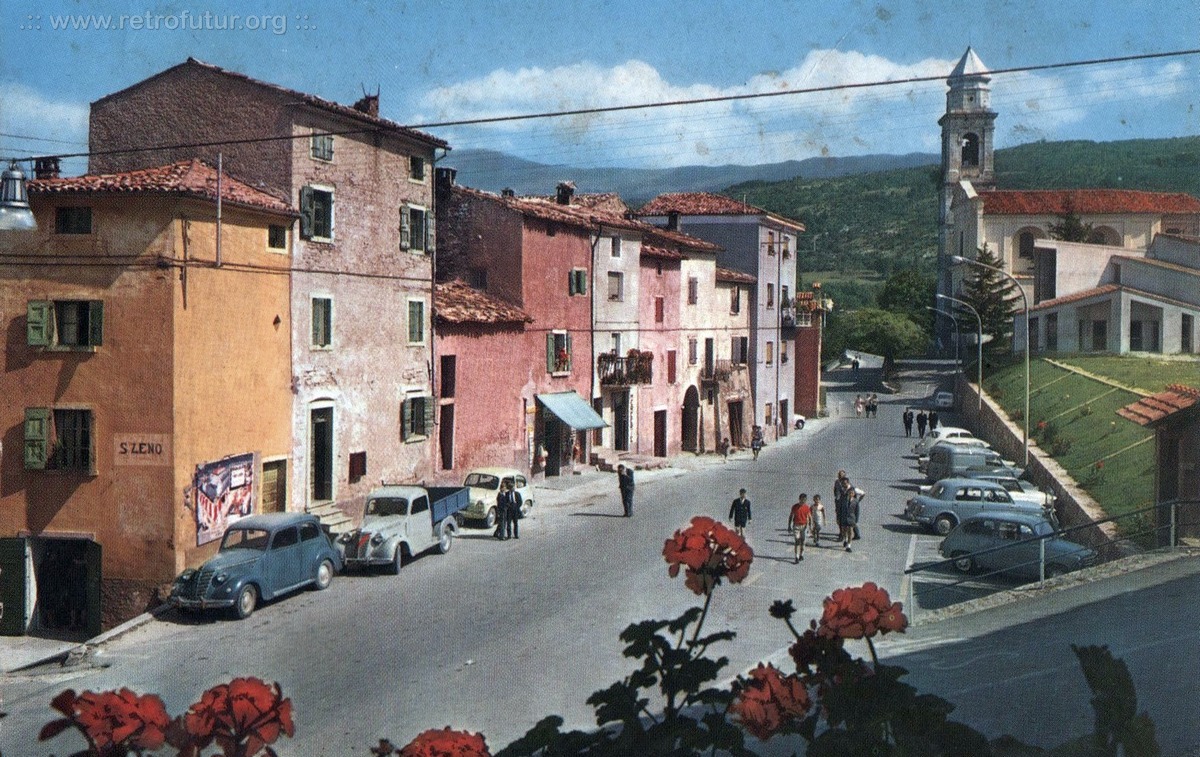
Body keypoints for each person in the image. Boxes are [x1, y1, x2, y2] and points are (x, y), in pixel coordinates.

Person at [835, 474, 859, 552]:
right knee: (844, 531)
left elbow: (857, 511)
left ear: (854, 494)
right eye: (849, 493)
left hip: (851, 518)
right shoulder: (843, 499)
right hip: (844, 517)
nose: (851, 494)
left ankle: (849, 545)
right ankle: (845, 539)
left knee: (850, 531)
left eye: (852, 493)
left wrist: (856, 520)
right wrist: (838, 517)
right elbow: (840, 508)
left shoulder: (855, 501)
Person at [787, 493, 811, 563]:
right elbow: (791, 516)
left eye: (805, 500)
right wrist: (789, 525)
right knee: (797, 541)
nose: (803, 501)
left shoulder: (806, 507)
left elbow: (809, 517)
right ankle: (796, 556)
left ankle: (801, 554)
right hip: (796, 526)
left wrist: (810, 526)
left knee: (803, 541)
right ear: (799, 499)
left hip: (804, 526)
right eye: (802, 500)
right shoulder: (795, 507)